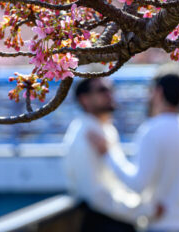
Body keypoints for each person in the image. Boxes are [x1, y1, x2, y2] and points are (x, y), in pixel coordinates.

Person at [90, 64, 179, 232]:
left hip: (164, 224)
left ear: (158, 92)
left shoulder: (152, 130)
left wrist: (108, 153)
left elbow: (137, 184)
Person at [63, 76, 151, 232]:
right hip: (104, 223)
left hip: (116, 219)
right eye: (102, 90)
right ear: (85, 99)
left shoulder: (104, 129)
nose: (110, 94)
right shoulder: (84, 134)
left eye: (111, 89)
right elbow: (96, 195)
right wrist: (142, 210)